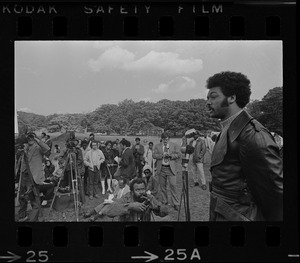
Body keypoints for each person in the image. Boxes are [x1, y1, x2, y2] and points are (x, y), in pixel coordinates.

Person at [205, 71, 283, 221]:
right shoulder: (228, 129)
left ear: (232, 98)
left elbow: (274, 193)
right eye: (207, 97)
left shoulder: (253, 134)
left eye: (213, 97)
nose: (208, 102)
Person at [16, 132, 50, 221]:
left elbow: (47, 148)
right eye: (29, 137)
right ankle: (22, 216)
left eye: (32, 137)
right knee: (22, 196)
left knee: (34, 199)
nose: (30, 139)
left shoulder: (38, 147)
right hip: (24, 176)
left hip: (33, 176)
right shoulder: (25, 147)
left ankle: (34, 219)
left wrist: (37, 139)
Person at [101, 178, 168, 221]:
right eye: (138, 190)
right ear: (132, 191)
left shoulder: (149, 197)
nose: (141, 192)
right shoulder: (126, 197)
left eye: (143, 189)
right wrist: (130, 206)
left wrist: (156, 208)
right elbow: (108, 211)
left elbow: (165, 211)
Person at [153, 132, 181, 211]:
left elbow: (179, 154)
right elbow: (154, 155)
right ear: (161, 139)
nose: (165, 141)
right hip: (161, 168)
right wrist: (161, 156)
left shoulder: (174, 145)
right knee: (162, 187)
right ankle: (165, 201)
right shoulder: (157, 146)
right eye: (163, 139)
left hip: (171, 169)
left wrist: (171, 156)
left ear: (169, 139)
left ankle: (176, 203)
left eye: (167, 139)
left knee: (173, 186)